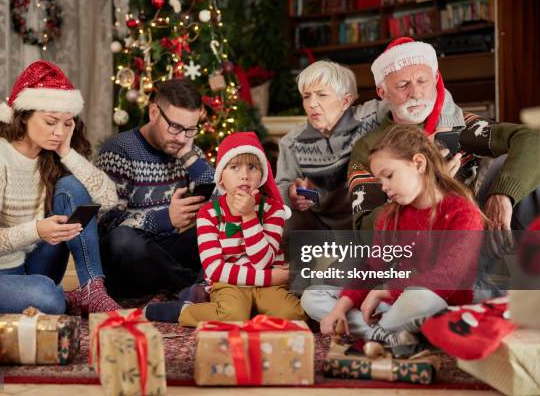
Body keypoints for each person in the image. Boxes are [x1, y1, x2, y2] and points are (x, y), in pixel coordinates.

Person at [0, 60, 121, 316]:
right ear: (23, 116)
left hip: (26, 265)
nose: (59, 132)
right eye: (51, 122)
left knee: (71, 186)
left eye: (67, 123)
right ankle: (65, 298)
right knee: (47, 299)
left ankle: (93, 290)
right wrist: (37, 230)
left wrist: (67, 152)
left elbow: (108, 199)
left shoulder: (49, 157)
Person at [303, 125, 484, 346]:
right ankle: (389, 335)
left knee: (419, 297)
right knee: (313, 296)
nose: (384, 188)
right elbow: (372, 268)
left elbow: (448, 277)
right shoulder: (390, 215)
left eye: (389, 176)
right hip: (396, 302)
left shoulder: (464, 212)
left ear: (418, 163)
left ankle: (376, 332)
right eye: (380, 181)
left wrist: (386, 290)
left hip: (439, 303)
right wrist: (341, 307)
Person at [348, 37, 540, 234]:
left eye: (422, 81)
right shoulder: (370, 147)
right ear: (382, 92)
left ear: (435, 80)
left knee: (517, 165)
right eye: (403, 85)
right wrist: (428, 189)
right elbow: (364, 231)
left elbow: (533, 139)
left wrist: (504, 194)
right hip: (423, 243)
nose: (416, 93)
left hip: (478, 226)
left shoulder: (458, 123)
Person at [275, 60, 464, 241]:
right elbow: (280, 191)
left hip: (368, 217)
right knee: (279, 215)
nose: (312, 103)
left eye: (321, 95)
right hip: (320, 226)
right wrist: (293, 193)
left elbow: (434, 93)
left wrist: (442, 133)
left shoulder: (371, 116)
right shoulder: (292, 141)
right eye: (307, 96)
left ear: (345, 101)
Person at [143, 132, 306, 326]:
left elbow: (262, 261)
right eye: (235, 167)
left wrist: (249, 216)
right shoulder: (209, 213)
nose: (244, 175)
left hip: (268, 283)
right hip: (231, 283)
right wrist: (271, 277)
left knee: (295, 315)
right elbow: (214, 268)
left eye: (252, 167)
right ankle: (185, 310)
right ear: (221, 179)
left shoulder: (274, 210)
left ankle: (253, 309)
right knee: (233, 315)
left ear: (262, 175)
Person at [96, 79, 215, 298]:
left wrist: (188, 156)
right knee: (122, 240)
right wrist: (165, 219)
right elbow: (106, 223)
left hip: (166, 253)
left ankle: (176, 289)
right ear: (153, 113)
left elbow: (219, 193)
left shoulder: (185, 148)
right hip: (129, 259)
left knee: (216, 231)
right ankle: (193, 286)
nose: (181, 138)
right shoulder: (119, 150)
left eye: (190, 130)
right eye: (175, 127)